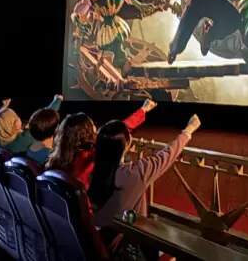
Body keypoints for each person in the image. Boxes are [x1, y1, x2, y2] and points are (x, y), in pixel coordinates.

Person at [89, 114, 200, 257]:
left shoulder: (91, 171)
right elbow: (166, 155)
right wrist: (188, 130)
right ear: (128, 143)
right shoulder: (134, 174)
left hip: (95, 244)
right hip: (123, 248)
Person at [46, 99, 157, 189]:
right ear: (86, 133)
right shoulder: (91, 154)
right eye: (92, 125)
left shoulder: (58, 155)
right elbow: (118, 130)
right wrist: (143, 109)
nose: (95, 127)